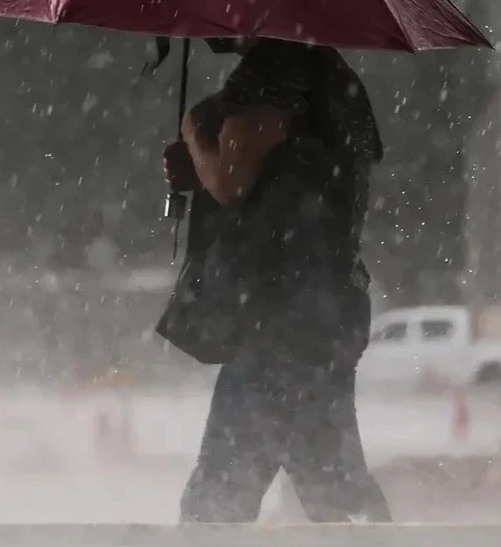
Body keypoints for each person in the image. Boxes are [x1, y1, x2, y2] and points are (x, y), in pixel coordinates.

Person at [159, 37, 392, 523]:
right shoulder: (330, 73)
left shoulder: (275, 69)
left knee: (216, 501)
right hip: (323, 312)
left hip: (278, 320)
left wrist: (196, 132)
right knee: (333, 487)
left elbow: (229, 180)